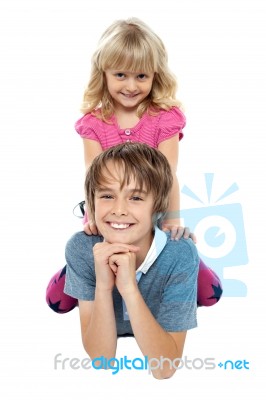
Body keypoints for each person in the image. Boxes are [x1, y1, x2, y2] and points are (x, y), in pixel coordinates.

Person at [46, 17, 222, 314]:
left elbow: (168, 176)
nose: (131, 85)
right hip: (110, 215)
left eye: (141, 76)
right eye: (121, 75)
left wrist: (172, 220)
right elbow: (93, 178)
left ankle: (184, 268)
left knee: (208, 293)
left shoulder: (165, 118)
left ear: (156, 75)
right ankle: (77, 271)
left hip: (150, 213)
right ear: (104, 74)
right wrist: (92, 217)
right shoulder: (94, 123)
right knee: (60, 300)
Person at [64, 142, 199, 379]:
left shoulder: (180, 254)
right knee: (60, 292)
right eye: (107, 195)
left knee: (204, 281)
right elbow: (102, 361)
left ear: (157, 205)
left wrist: (129, 288)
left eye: (135, 197)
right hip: (86, 266)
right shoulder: (82, 248)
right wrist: (104, 286)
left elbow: (164, 369)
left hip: (177, 258)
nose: (119, 209)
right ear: (92, 202)